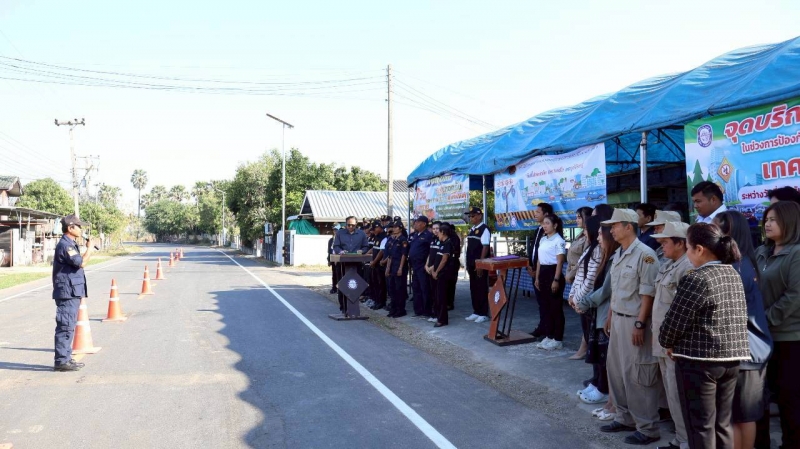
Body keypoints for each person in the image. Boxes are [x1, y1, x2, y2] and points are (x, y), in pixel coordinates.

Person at [659, 223, 751, 449]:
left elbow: (674, 322)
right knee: (722, 424)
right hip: (732, 359)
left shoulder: (697, 278)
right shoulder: (733, 273)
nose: (688, 253)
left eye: (689, 248)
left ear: (699, 249)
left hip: (699, 362)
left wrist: (667, 343)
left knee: (701, 427)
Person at [599, 208, 661, 446]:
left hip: (635, 322)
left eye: (615, 225)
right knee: (616, 371)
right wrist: (610, 315)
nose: (611, 230)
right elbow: (617, 290)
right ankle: (624, 417)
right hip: (618, 319)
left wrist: (639, 323)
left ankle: (647, 427)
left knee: (638, 374)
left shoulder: (645, 255)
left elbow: (648, 293)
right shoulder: (619, 254)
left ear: (628, 226)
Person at [714, 211, 773, 449]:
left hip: (746, 352)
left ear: (728, 233)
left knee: (741, 416)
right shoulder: (740, 263)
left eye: (715, 229)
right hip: (745, 351)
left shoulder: (737, 267)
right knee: (737, 415)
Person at [755, 201, 800, 449]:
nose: (768, 224)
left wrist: (765, 319)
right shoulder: (762, 251)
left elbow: (794, 296)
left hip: (789, 338)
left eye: (774, 219)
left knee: (789, 400)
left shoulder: (796, 253)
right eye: (767, 219)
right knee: (760, 398)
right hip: (762, 336)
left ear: (790, 222)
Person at [649, 221, 694, 449]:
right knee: (671, 393)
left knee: (679, 395)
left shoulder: (687, 267)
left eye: (665, 242)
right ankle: (680, 438)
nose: (661, 246)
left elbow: (685, 311)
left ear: (680, 243)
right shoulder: (670, 264)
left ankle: (686, 441)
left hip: (675, 345)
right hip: (663, 341)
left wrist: (674, 342)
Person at [574, 218, 619, 410]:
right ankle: (599, 385)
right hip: (598, 310)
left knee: (606, 356)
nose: (598, 238)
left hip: (606, 312)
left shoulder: (615, 256)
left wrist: (583, 301)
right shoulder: (606, 255)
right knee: (599, 354)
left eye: (602, 234)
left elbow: (605, 289)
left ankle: (605, 390)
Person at [52, 214, 94, 372]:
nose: (81, 229)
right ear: (70, 228)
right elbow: (81, 263)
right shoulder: (66, 245)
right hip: (67, 292)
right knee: (65, 326)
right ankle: (61, 361)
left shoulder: (71, 244)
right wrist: (90, 249)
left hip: (71, 291)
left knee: (68, 325)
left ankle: (66, 358)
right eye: (78, 226)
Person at [535, 213, 567, 350]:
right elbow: (539, 260)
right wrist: (537, 277)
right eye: (544, 223)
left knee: (555, 307)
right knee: (546, 307)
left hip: (553, 273)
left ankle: (558, 339)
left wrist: (556, 279)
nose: (544, 226)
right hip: (542, 273)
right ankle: (549, 335)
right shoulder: (543, 239)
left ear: (555, 225)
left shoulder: (559, 240)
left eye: (547, 223)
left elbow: (560, 261)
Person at [566, 206, 593, 360]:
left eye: (579, 217)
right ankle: (585, 346)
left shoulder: (590, 237)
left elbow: (584, 260)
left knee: (585, 313)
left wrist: (571, 274)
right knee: (581, 314)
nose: (576, 220)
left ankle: (585, 347)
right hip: (575, 278)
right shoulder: (581, 235)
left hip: (582, 279)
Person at [528, 202, 555, 336]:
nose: (535, 214)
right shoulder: (538, 230)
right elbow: (534, 251)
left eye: (538, 212)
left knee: (548, 303)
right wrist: (530, 265)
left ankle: (550, 330)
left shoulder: (549, 234)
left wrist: (537, 271)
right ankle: (543, 327)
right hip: (535, 270)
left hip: (545, 271)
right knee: (541, 302)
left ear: (546, 214)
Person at [332, 216, 370, 312]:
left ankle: (353, 308)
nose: (350, 227)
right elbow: (336, 246)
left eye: (352, 225)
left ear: (356, 224)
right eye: (348, 225)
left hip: (357, 263)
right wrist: (340, 251)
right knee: (343, 284)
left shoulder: (361, 234)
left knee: (355, 284)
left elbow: (366, 246)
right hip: (343, 263)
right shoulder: (340, 233)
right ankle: (343, 307)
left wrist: (362, 251)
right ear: (346, 224)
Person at [463, 206, 491, 323]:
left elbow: (485, 247)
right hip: (471, 263)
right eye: (470, 216)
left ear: (480, 216)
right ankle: (476, 311)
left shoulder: (484, 229)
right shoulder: (472, 229)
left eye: (473, 216)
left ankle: (483, 313)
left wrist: (480, 263)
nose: (471, 218)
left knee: (481, 288)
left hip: (480, 264)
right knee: (473, 288)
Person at [431, 223, 458, 327]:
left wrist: (436, 271)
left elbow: (444, 260)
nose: (437, 233)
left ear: (443, 232)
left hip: (443, 274)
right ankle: (439, 317)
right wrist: (433, 269)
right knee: (437, 296)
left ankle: (442, 319)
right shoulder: (442, 243)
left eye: (439, 232)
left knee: (441, 297)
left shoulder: (448, 243)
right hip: (438, 273)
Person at [409, 216, 434, 318]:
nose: (415, 223)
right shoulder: (415, 235)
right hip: (414, 265)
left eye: (418, 222)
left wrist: (427, 264)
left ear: (424, 224)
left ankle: (427, 311)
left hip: (423, 266)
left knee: (425, 288)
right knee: (416, 288)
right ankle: (418, 310)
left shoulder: (428, 235)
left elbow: (431, 251)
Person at [385, 220, 409, 318]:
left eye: (396, 227)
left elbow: (404, 255)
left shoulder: (403, 240)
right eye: (393, 227)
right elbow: (390, 256)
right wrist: (388, 268)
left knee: (400, 289)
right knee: (392, 289)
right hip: (392, 266)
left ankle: (400, 310)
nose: (393, 229)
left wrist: (400, 268)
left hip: (399, 266)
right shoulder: (393, 240)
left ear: (400, 228)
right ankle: (393, 309)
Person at [368, 222, 389, 311]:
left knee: (381, 284)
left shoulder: (384, 237)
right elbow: (374, 249)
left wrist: (374, 261)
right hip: (375, 264)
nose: (373, 231)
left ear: (379, 228)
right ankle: (377, 300)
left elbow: (381, 252)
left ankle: (381, 302)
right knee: (375, 283)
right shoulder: (376, 237)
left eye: (374, 229)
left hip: (380, 265)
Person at [425, 221, 442, 322]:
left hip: (437, 270)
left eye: (437, 228)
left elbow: (441, 257)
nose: (435, 231)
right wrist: (426, 265)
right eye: (433, 229)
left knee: (438, 294)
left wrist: (433, 267)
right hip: (430, 270)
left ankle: (439, 315)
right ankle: (434, 313)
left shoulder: (442, 240)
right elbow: (430, 254)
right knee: (432, 293)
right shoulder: (432, 239)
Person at [327, 224, 342, 294]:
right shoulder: (331, 240)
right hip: (333, 258)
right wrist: (329, 260)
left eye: (336, 230)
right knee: (334, 274)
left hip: (339, 259)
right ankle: (334, 288)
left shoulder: (341, 239)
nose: (335, 231)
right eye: (334, 230)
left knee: (339, 273)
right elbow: (329, 251)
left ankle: (340, 288)